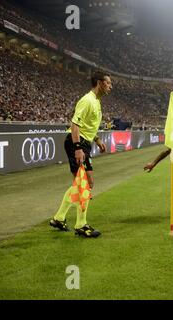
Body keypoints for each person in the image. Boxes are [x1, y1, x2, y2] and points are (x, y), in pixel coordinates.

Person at [50, 70, 112, 237]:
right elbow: (75, 125)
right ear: (99, 83)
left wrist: (97, 140)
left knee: (82, 184)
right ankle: (81, 224)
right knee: (85, 183)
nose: (110, 87)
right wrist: (78, 148)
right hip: (76, 143)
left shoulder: (97, 102)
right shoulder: (87, 100)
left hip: (84, 143)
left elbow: (87, 125)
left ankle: (59, 218)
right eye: (108, 83)